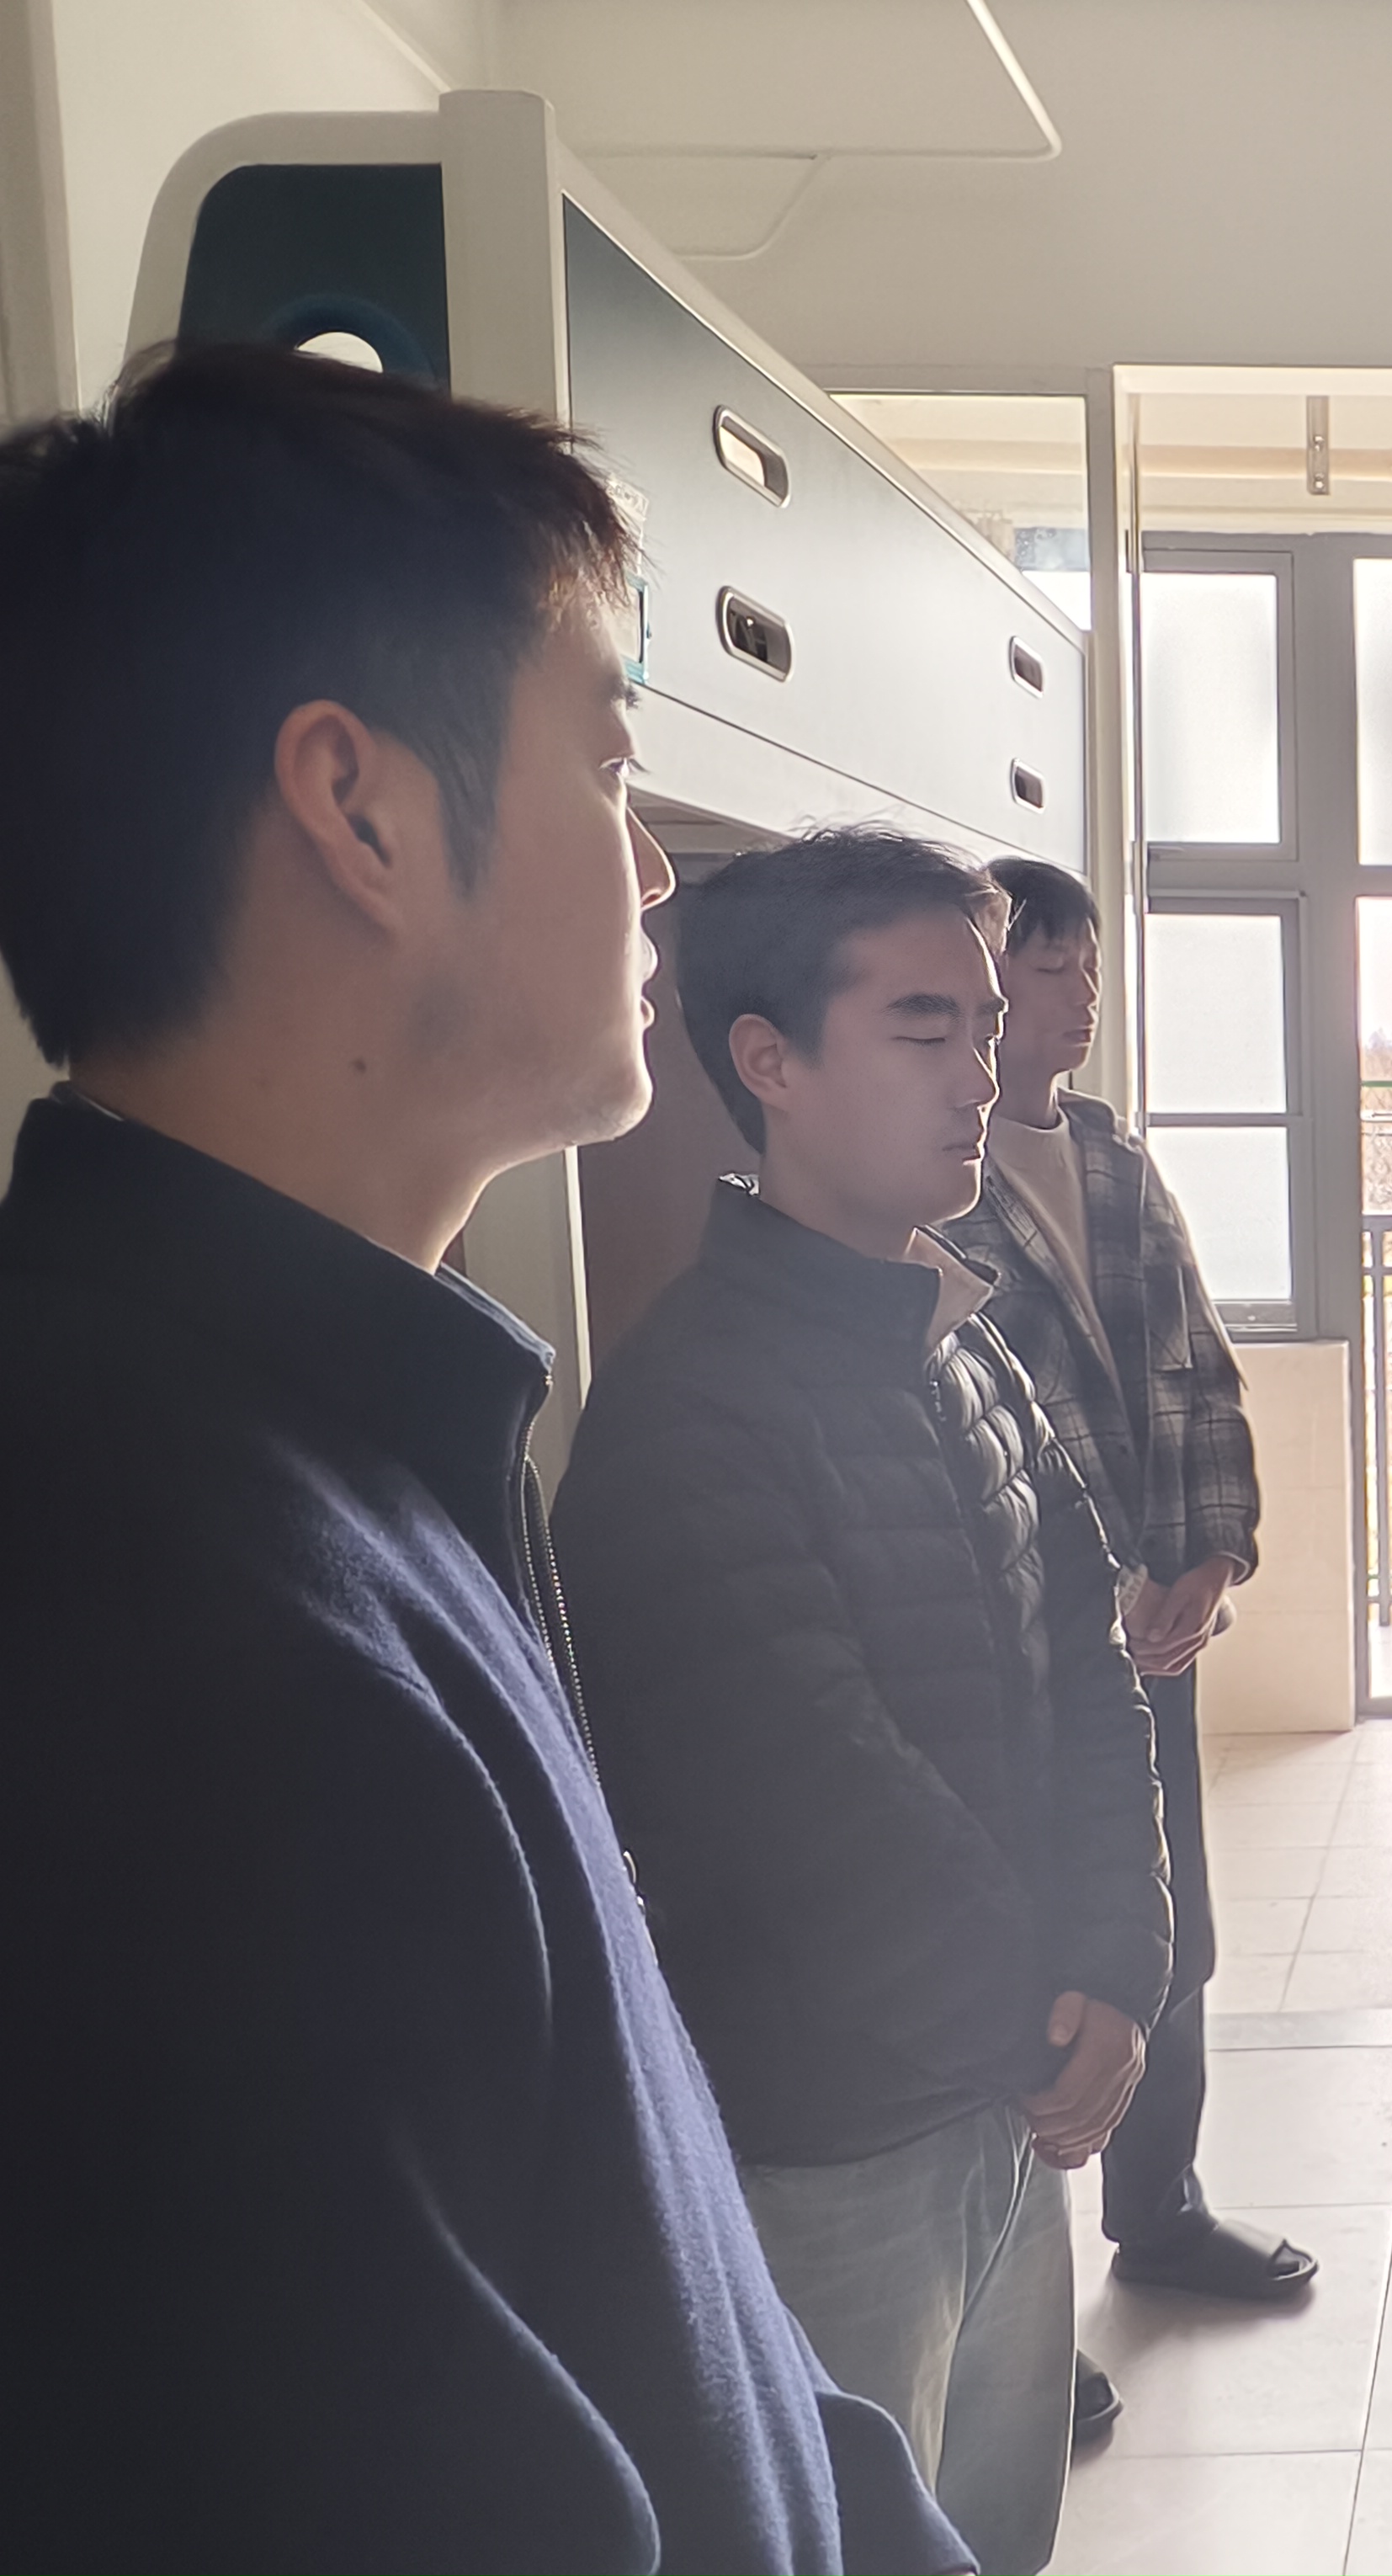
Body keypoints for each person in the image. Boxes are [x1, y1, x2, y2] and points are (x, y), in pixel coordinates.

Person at [0, 345, 963, 2572]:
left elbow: (656, 2281)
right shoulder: (161, 1637)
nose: (655, 867)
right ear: (358, 810)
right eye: (607, 763)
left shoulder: (371, 1438)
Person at [551, 832, 1172, 2576]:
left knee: (999, 2537)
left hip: (1007, 2104)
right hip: (831, 2144)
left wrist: (1120, 1963)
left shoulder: (962, 1345)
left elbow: (1092, 1678)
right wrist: (1041, 2023)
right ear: (769, 1059)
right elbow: (815, 1807)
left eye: (985, 1027)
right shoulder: (688, 1413)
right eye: (922, 1028)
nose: (982, 1075)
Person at [939, 860, 1306, 2447]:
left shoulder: (1113, 1160)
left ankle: (1161, 2211)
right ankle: (1013, 2322)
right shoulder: (933, 1182)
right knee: (1034, 1953)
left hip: (1151, 1636)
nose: (1080, 996)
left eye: (1090, 968)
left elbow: (1198, 1371)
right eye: (1051, 968)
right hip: (1024, 1647)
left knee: (1171, 1927)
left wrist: (1211, 1555)